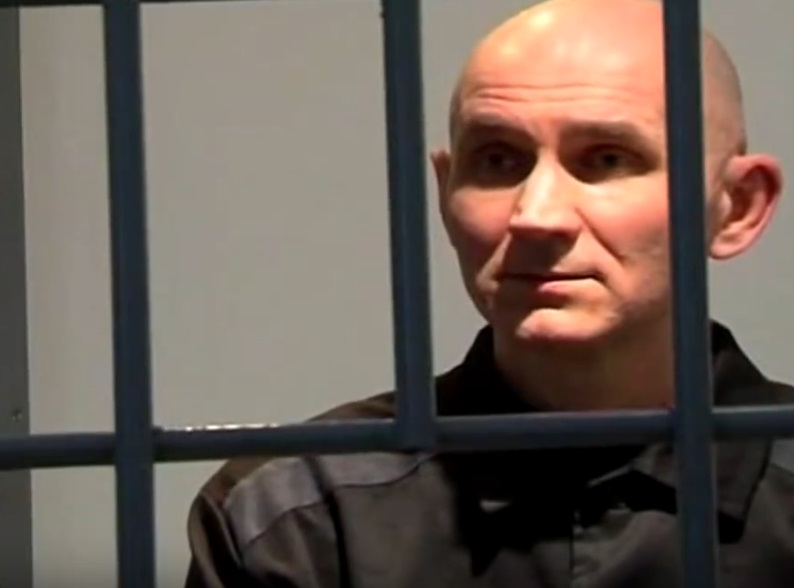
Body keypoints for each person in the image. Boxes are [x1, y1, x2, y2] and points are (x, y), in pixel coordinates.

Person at [183, 0, 794, 585]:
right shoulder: (296, 513)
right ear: (445, 194)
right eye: (499, 160)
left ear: (736, 207)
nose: (536, 215)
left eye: (607, 159)